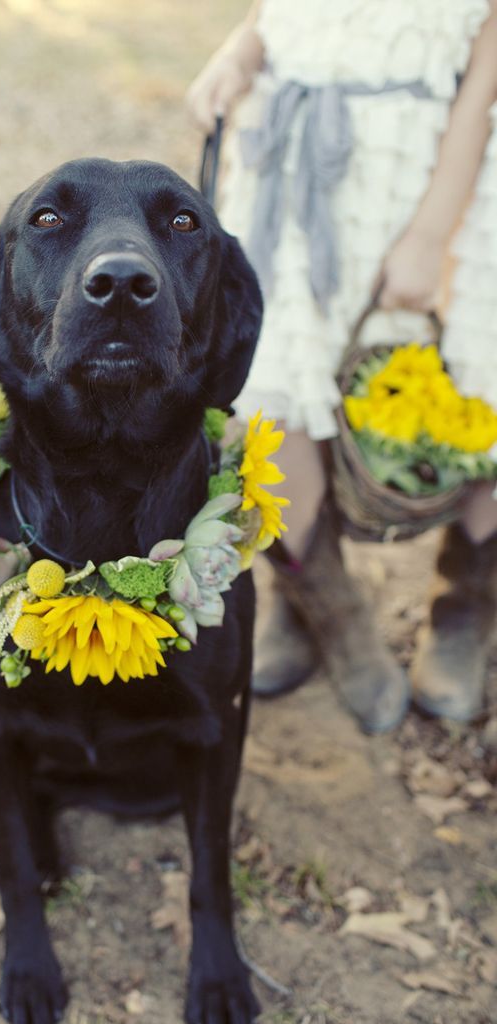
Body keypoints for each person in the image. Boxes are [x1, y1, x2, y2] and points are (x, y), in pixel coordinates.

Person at [186, 0, 497, 731]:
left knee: (477, 379)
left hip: (421, 169)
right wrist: (241, 52)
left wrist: (430, 234)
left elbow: (485, 82)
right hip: (286, 163)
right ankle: (326, 607)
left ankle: (464, 606)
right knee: (272, 390)